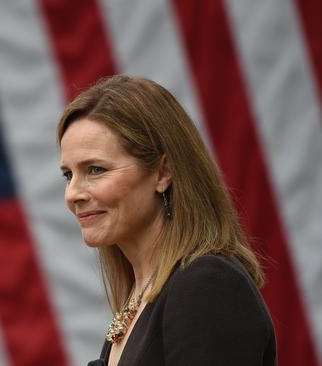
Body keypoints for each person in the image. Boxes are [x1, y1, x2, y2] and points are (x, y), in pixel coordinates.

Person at [57, 75, 276, 366]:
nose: (73, 194)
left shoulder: (206, 285)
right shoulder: (141, 296)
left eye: (96, 170)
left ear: (162, 173)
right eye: (68, 175)